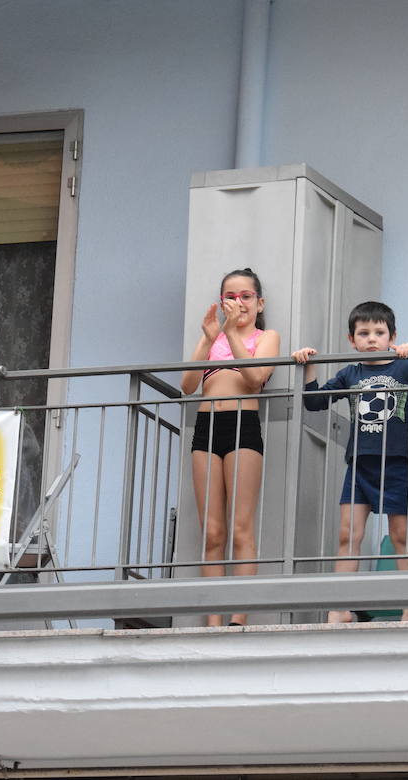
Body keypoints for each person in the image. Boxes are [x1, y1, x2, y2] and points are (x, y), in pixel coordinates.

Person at [292, 301, 408, 623]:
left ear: (392, 336)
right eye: (363, 333)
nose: (371, 339)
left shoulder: (407, 368)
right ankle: (340, 609)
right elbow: (314, 403)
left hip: (396, 462)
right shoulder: (351, 373)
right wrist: (308, 366)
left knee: (401, 535)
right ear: (351, 340)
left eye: (379, 333)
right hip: (360, 463)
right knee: (347, 534)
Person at [179, 268, 281, 627]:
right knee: (212, 531)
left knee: (240, 527)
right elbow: (188, 386)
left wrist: (232, 333)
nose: (238, 303)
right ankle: (213, 619)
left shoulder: (266, 336)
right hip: (206, 427)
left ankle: (239, 614)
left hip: (243, 425)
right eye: (230, 297)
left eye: (246, 296)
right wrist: (209, 339)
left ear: (259, 302)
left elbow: (254, 378)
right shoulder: (212, 338)